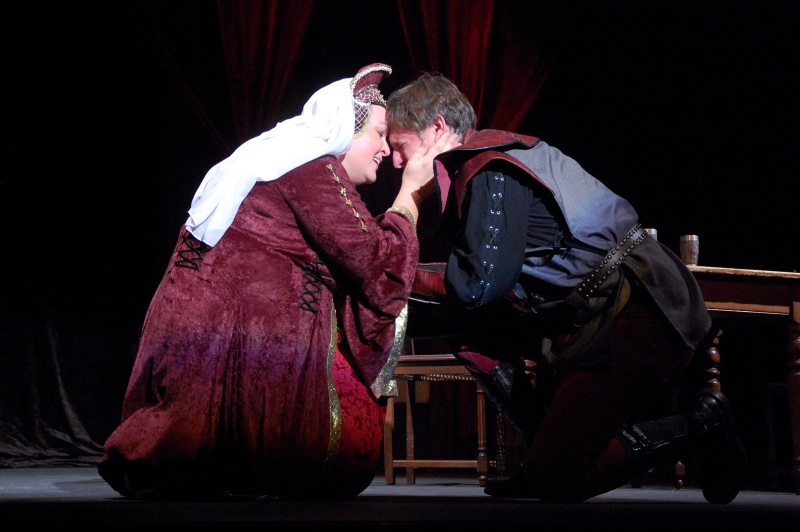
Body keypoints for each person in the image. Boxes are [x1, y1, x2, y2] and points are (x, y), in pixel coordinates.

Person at [97, 64, 460, 501]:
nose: (386, 150)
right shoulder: (313, 168)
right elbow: (378, 265)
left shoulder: (283, 160)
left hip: (202, 329)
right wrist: (410, 196)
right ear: (345, 129)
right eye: (380, 135)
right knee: (329, 462)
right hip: (224, 333)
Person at [385, 72, 747, 504]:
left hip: (636, 311)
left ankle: (700, 426)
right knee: (468, 330)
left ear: (437, 128)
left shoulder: (491, 167)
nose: (395, 161)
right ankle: (543, 450)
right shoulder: (484, 164)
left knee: (558, 478)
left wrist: (405, 221)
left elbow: (477, 287)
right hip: (594, 320)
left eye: (399, 146)